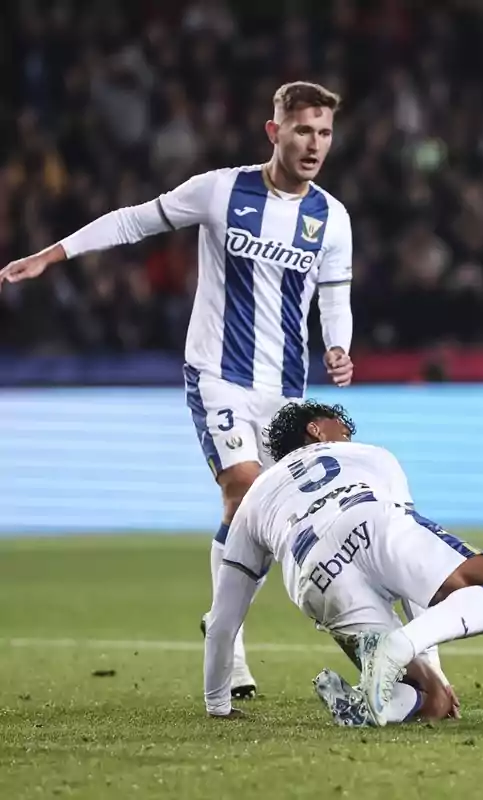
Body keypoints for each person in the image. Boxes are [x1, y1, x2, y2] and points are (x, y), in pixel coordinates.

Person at [0, 81, 358, 698]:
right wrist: (52, 255)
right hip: (216, 376)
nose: (314, 144)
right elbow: (134, 221)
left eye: (324, 132)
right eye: (302, 130)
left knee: (265, 520)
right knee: (243, 491)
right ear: (275, 132)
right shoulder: (220, 190)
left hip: (286, 392)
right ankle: (233, 647)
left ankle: (223, 625)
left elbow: (335, 296)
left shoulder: (331, 216)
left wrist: (338, 345)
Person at [203, 400, 483, 726]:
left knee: (434, 700)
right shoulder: (371, 455)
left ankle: (374, 705)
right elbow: (411, 582)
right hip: (366, 519)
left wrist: (218, 704)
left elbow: (222, 620)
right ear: (315, 430)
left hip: (314, 577)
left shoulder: (253, 499)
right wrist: (427, 659)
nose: (348, 432)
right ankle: (394, 650)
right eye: (341, 426)